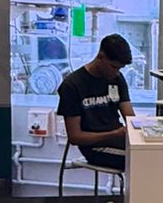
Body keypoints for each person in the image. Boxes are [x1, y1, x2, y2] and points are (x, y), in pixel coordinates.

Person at [57, 34, 135, 171]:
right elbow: (75, 137)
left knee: (155, 153)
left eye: (120, 68)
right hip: (95, 147)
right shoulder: (72, 86)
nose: (117, 72)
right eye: (113, 67)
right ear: (100, 57)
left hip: (118, 139)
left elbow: (130, 118)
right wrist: (113, 134)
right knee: (140, 159)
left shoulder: (117, 79)